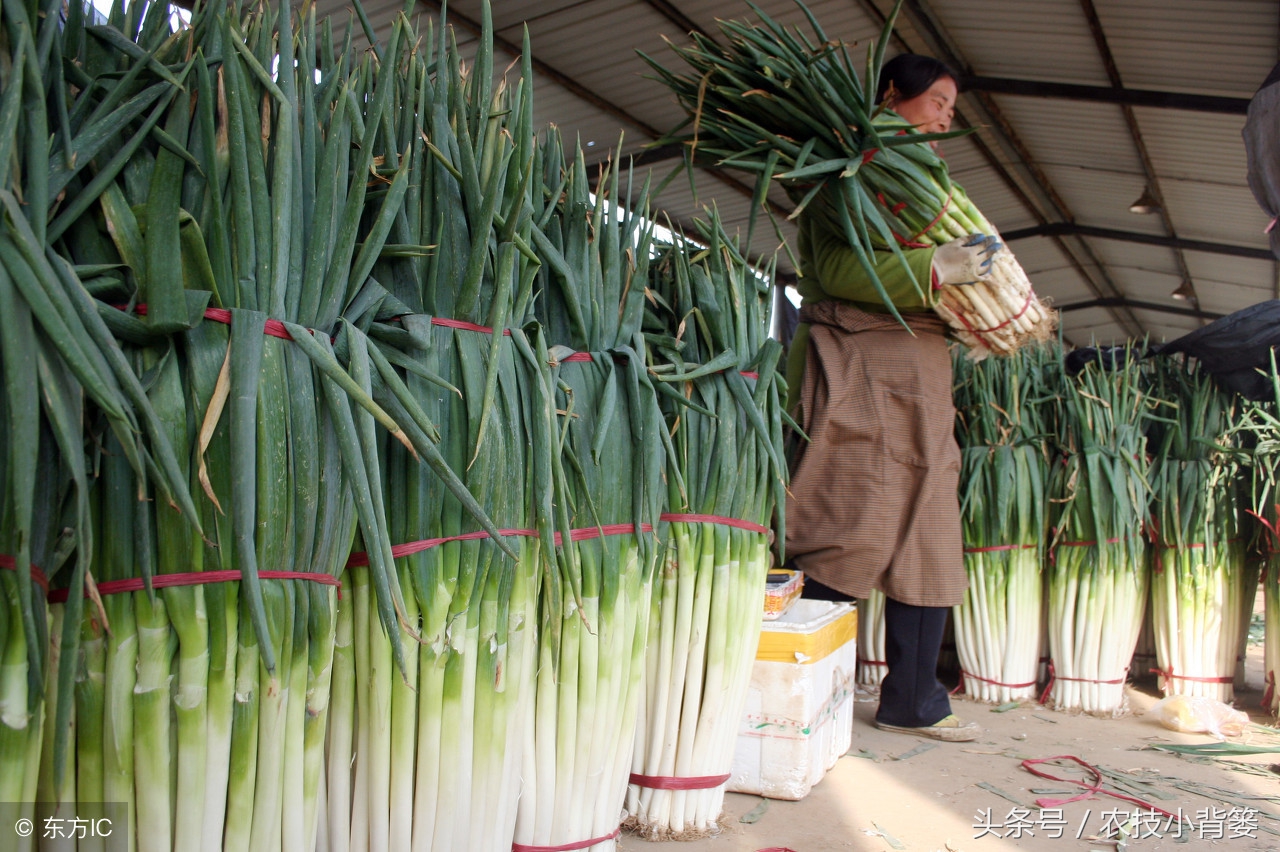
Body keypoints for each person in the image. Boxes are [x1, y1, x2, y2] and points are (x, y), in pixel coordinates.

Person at [784, 53, 998, 743]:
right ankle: (802, 688)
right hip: (860, 362)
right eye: (936, 99)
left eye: (951, 107)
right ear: (890, 95)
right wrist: (934, 266)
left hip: (921, 372)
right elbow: (840, 268)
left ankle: (915, 699)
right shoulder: (849, 163)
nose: (945, 114)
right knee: (853, 514)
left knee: (930, 524)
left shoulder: (925, 178)